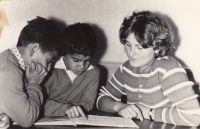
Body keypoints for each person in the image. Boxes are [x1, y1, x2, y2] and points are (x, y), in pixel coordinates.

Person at [97, 11, 200, 126]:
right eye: (128, 44)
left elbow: (194, 116)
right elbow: (101, 98)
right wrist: (119, 106)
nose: (131, 53)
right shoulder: (126, 69)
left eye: (139, 47)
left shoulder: (169, 70)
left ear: (157, 47)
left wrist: (150, 113)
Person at [0, 16, 63, 127]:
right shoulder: (8, 71)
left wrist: (65, 108)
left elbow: (28, 103)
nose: (49, 69)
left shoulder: (13, 61)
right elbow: (27, 119)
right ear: (33, 49)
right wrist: (34, 84)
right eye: (49, 61)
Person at [42, 23, 100, 118]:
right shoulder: (49, 70)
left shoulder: (93, 73)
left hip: (72, 120)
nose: (82, 66)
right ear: (64, 54)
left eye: (87, 60)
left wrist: (74, 110)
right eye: (76, 60)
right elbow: (38, 103)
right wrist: (65, 108)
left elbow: (87, 103)